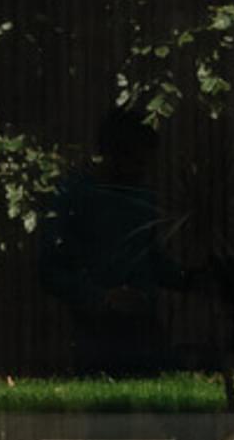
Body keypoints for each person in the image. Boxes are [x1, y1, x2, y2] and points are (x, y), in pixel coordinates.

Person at [37, 99, 184, 380]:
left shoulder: (142, 199)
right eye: (136, 160)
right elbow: (49, 269)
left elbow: (151, 259)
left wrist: (190, 278)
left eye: (146, 161)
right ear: (113, 154)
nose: (142, 169)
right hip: (94, 333)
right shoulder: (76, 195)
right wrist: (101, 298)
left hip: (142, 331)